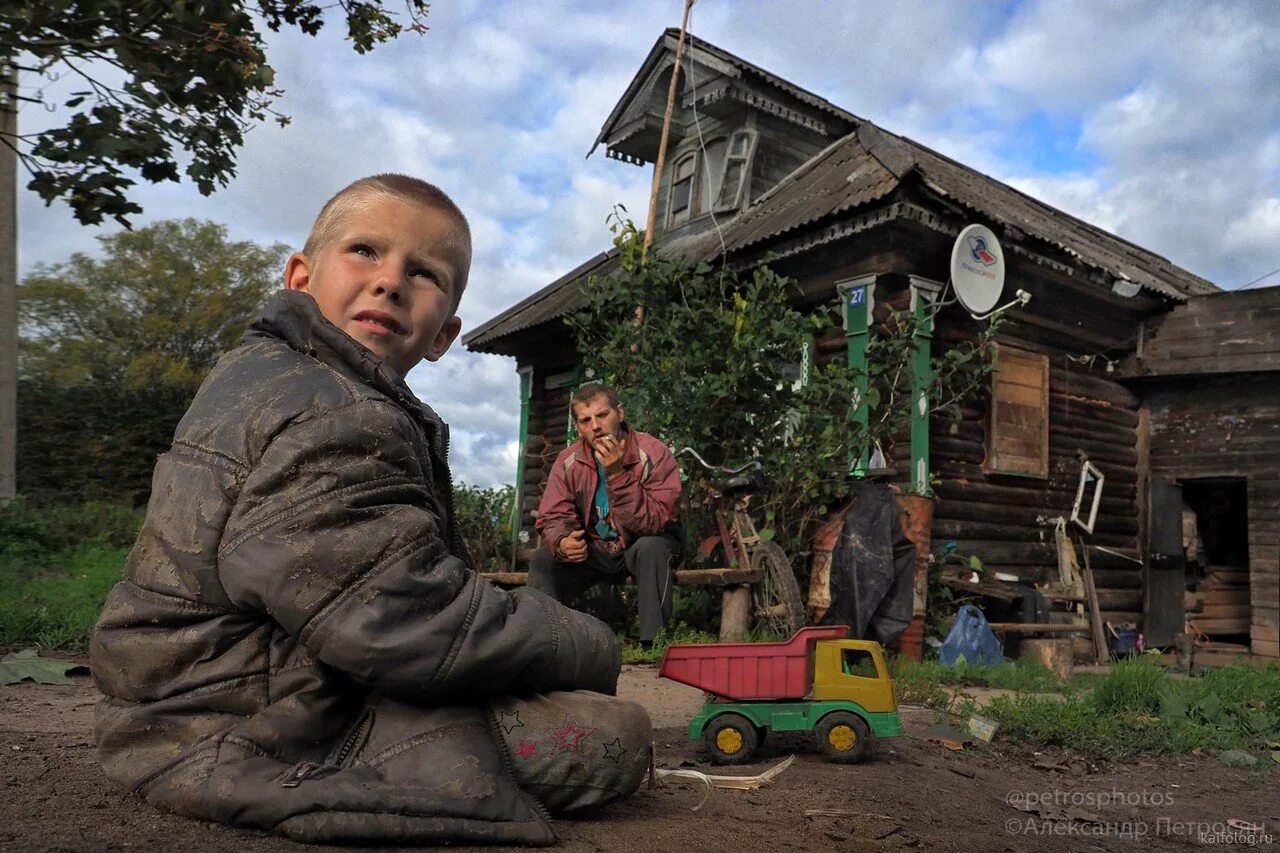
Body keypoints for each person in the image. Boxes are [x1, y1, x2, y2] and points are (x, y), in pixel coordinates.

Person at [90, 175, 651, 847]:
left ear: (444, 332)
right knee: (614, 736)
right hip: (236, 716)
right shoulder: (333, 410)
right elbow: (395, 616)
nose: (389, 281)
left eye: (421, 271)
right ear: (300, 276)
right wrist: (586, 644)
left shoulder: (275, 376)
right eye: (364, 250)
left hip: (206, 689)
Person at [529, 383, 683, 647]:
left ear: (619, 413)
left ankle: (652, 645)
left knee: (652, 547)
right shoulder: (569, 461)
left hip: (641, 545)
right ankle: (545, 645)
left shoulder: (653, 453)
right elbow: (553, 515)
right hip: (598, 549)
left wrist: (616, 475)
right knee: (544, 558)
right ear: (578, 427)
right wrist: (564, 542)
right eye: (586, 420)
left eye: (602, 415)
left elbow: (657, 522)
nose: (596, 426)